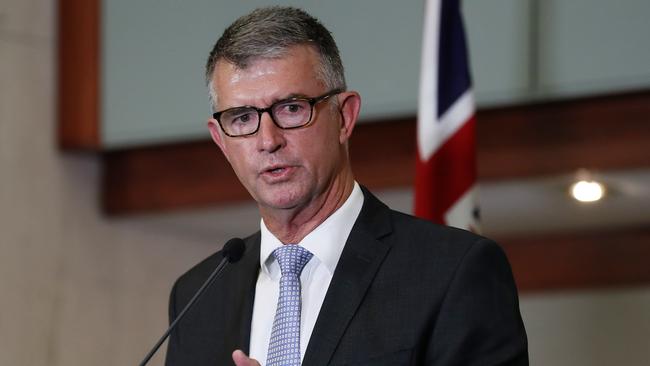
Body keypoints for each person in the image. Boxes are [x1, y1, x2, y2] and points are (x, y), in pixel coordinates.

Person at [165, 6, 528, 366]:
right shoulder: (197, 295)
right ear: (221, 140)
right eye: (242, 118)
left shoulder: (453, 271)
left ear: (345, 117)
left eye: (291, 108)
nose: (268, 140)